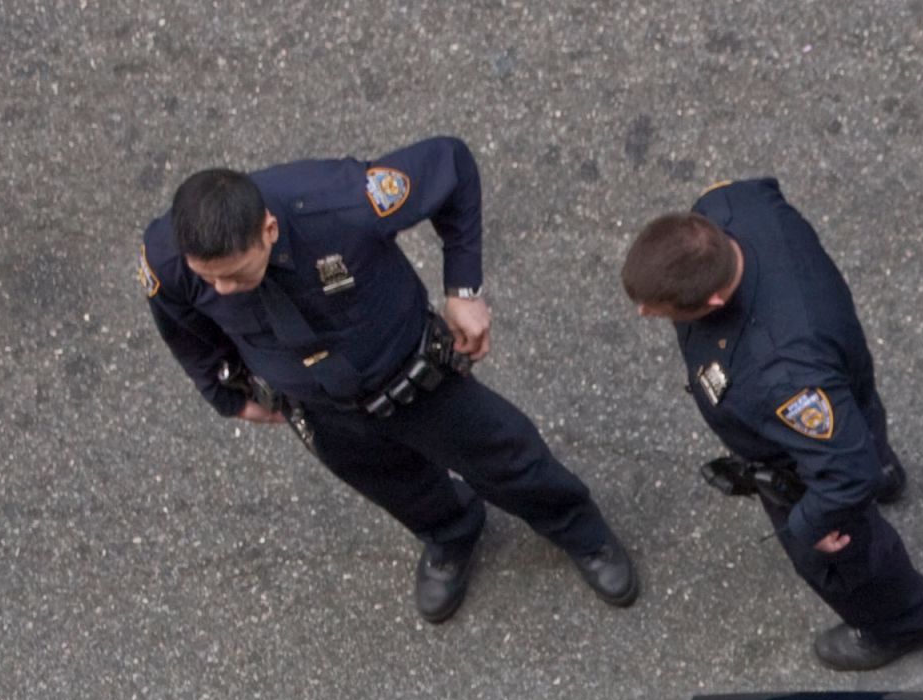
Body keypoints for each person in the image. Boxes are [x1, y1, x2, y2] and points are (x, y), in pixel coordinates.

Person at [144, 144, 639, 625]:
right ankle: (451, 533)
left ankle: (579, 530)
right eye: (208, 279)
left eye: (233, 276)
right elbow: (182, 326)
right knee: (394, 486)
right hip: (320, 407)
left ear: (268, 230)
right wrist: (226, 396)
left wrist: (464, 291)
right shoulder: (169, 257)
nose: (221, 290)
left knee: (506, 459)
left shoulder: (342, 203)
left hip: (412, 379)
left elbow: (452, 164)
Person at [622, 181, 923, 671]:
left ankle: (905, 621)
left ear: (712, 302)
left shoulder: (783, 379)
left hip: (801, 452)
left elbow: (842, 469)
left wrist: (810, 524)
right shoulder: (730, 206)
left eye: (659, 309)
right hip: (843, 376)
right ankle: (885, 470)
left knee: (845, 556)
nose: (644, 312)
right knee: (861, 428)